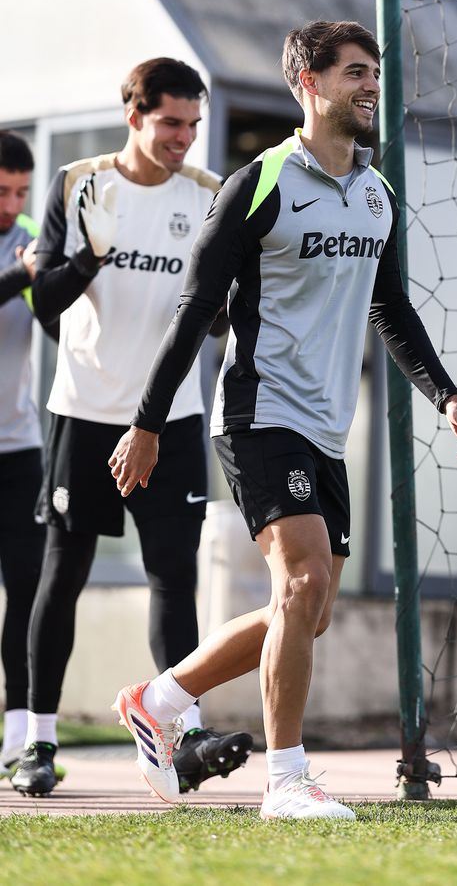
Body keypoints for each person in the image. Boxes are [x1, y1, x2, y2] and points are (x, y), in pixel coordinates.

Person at [108, 19, 457, 819]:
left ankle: (161, 695)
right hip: (259, 410)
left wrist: (447, 395)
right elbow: (194, 310)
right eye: (355, 72)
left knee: (307, 614)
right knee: (305, 579)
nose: (370, 87)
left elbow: (391, 309)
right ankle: (286, 781)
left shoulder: (379, 193)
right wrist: (146, 422)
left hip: (325, 424)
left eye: (375, 74)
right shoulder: (259, 182)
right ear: (307, 84)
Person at [12, 59, 253, 797]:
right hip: (82, 410)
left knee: (172, 575)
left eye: (193, 123)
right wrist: (91, 254)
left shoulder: (209, 194)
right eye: (170, 122)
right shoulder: (78, 182)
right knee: (63, 575)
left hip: (171, 417)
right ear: (135, 116)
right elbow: (42, 302)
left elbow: (215, 319)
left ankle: (181, 736)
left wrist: (224, 299)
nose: (184, 137)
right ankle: (36, 742)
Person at [0, 131, 49, 778]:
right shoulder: (25, 254)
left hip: (22, 446)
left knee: (28, 590)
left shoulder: (34, 232)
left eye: (20, 192)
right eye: (0, 192)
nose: (12, 204)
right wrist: (24, 272)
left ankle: (19, 734)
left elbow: (60, 312)